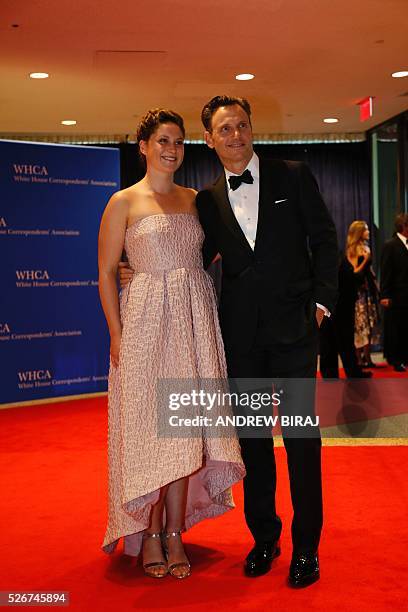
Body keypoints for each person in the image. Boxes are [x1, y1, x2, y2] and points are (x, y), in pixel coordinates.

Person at [120, 96, 338, 587]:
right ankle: (265, 539)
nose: (235, 135)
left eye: (242, 125)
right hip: (241, 341)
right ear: (210, 139)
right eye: (224, 129)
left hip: (296, 335)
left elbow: (325, 240)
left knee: (302, 442)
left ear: (251, 129)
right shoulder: (207, 202)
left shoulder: (293, 175)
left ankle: (307, 547)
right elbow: (186, 255)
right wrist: (132, 265)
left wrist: (323, 302)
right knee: (255, 446)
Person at [98, 108, 245, 580]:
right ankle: (151, 532)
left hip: (195, 322)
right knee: (151, 433)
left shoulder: (195, 199)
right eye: (162, 140)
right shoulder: (122, 202)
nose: (171, 149)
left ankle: (174, 534)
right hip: (144, 326)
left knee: (185, 428)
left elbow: (212, 252)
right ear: (143, 146)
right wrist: (117, 335)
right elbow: (104, 273)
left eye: (179, 142)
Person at [319, 253, 372, 378]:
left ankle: (331, 373)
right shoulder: (338, 260)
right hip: (340, 307)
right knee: (342, 341)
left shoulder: (327, 260)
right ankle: (350, 372)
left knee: (330, 341)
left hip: (330, 305)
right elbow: (349, 278)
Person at [346, 221, 379, 367]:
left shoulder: (365, 247)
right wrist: (365, 260)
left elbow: (369, 271)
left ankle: (368, 357)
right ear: (359, 232)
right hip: (358, 293)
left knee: (369, 324)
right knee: (360, 326)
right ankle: (359, 359)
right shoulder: (353, 249)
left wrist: (376, 285)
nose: (368, 232)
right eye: (366, 230)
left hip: (368, 292)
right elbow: (354, 272)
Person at [380, 212, 408, 372]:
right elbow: (386, 272)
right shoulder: (390, 245)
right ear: (404, 227)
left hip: (406, 296)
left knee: (405, 328)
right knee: (396, 328)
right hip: (396, 295)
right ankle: (396, 359)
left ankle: (405, 357)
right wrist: (384, 295)